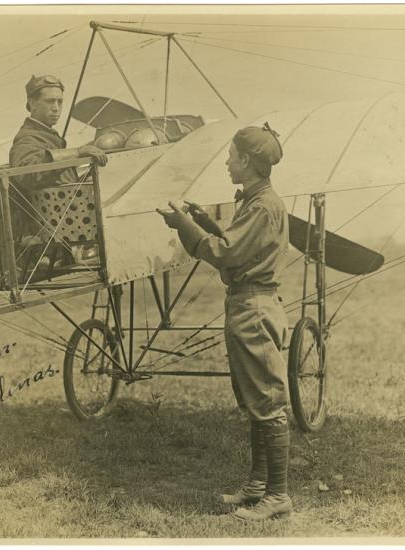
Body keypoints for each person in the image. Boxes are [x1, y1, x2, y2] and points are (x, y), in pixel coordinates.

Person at [156, 123, 291, 521]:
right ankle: (257, 486)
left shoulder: (263, 205)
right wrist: (199, 220)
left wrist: (185, 224)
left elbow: (224, 252)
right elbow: (236, 245)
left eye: (231, 157)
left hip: (253, 308)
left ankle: (278, 495)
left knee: (267, 402)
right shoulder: (258, 201)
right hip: (248, 305)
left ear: (247, 161)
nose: (227, 163)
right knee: (256, 399)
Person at [8, 74, 107, 269]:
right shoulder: (27, 139)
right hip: (49, 237)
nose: (56, 108)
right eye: (49, 101)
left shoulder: (47, 136)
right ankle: (85, 249)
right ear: (32, 103)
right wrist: (76, 153)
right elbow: (27, 174)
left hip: (64, 230)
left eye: (60, 102)